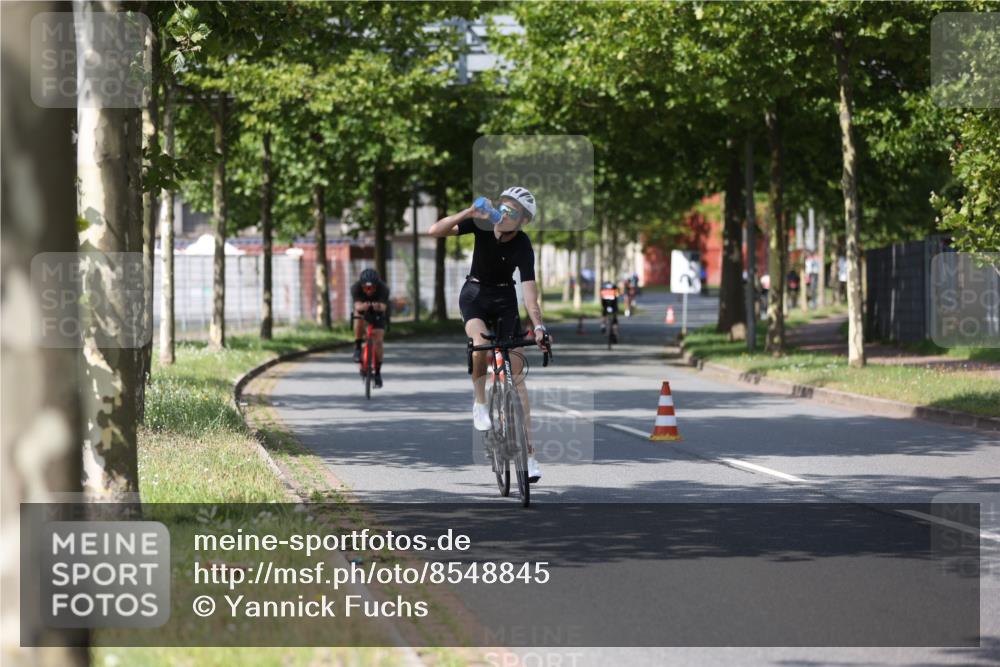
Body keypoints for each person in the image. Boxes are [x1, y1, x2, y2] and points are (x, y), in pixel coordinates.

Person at [428, 186, 550, 483]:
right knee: (480, 346)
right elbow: (435, 230)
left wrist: (539, 327)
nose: (504, 213)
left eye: (512, 211)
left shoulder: (523, 245)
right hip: (475, 295)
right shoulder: (482, 223)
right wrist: (469, 212)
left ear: (522, 221)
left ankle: (530, 456)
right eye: (503, 206)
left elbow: (531, 295)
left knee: (518, 379)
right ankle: (480, 402)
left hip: (505, 300)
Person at [350, 267, 389, 388]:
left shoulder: (383, 288)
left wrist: (376, 306)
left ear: (376, 286)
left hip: (378, 312)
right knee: (358, 318)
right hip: (362, 310)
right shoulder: (355, 288)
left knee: (378, 341)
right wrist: (364, 306)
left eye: (371, 288)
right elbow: (357, 306)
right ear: (361, 286)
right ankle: (357, 347)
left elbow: (383, 307)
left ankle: (377, 372)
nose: (369, 290)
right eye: (366, 288)